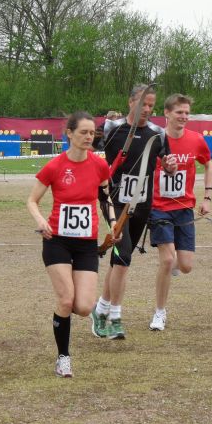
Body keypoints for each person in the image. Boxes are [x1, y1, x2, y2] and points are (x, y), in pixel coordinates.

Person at [27, 111, 117, 377]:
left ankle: (81, 318)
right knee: (66, 300)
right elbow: (31, 200)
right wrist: (41, 220)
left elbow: (105, 198)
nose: (89, 137)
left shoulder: (100, 165)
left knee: (83, 307)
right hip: (57, 242)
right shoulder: (55, 166)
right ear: (69, 133)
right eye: (84, 133)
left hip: (87, 244)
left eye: (92, 133)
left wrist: (113, 223)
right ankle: (63, 357)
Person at [90, 84, 177, 339]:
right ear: (131, 102)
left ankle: (101, 308)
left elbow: (167, 163)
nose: (147, 109)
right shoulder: (111, 128)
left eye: (151, 105)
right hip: (114, 202)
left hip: (141, 203)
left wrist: (170, 166)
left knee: (120, 260)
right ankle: (115, 315)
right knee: (124, 255)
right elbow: (88, 149)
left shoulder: (158, 133)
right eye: (143, 104)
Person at [147, 94, 212, 331]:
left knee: (185, 266)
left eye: (187, 113)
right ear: (166, 113)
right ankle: (159, 313)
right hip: (159, 208)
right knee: (166, 260)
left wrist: (207, 197)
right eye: (179, 112)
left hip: (184, 209)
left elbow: (208, 163)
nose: (184, 117)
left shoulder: (196, 140)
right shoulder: (155, 140)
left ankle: (175, 264)